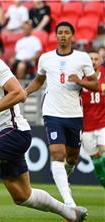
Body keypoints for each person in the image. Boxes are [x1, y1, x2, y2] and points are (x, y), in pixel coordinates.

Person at [0, 23, 88, 222]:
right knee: (23, 196)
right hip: (1, 132)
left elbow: (20, 94)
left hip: (13, 131)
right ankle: (72, 214)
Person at [25, 21, 98, 208]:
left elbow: (95, 85)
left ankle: (66, 179)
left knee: (72, 157)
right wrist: (25, 92)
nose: (63, 35)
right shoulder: (46, 58)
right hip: (52, 112)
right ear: (56, 36)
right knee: (58, 153)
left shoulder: (82, 58)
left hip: (74, 113)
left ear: (72, 36)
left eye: (66, 32)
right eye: (60, 33)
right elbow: (38, 80)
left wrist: (79, 81)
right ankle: (68, 201)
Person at [72, 51, 105, 187]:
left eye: (96, 59)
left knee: (104, 156)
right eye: (90, 59)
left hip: (103, 124)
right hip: (87, 127)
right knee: (96, 161)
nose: (93, 61)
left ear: (101, 60)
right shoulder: (79, 77)